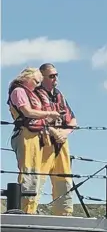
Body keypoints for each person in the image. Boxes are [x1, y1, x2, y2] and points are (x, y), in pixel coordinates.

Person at [7, 67, 61, 214]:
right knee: (29, 172)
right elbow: (27, 112)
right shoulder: (19, 91)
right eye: (36, 81)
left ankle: (30, 208)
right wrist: (49, 113)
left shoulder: (30, 93)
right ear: (27, 77)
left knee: (35, 173)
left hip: (35, 136)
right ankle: (25, 209)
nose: (37, 85)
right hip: (25, 135)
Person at [35, 63, 77, 216]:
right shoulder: (36, 94)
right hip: (43, 142)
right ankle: (28, 211)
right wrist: (53, 131)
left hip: (61, 144)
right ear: (42, 77)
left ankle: (64, 214)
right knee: (37, 179)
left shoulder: (59, 95)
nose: (55, 79)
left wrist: (64, 133)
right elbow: (34, 118)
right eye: (51, 76)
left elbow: (72, 120)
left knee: (65, 180)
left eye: (56, 75)